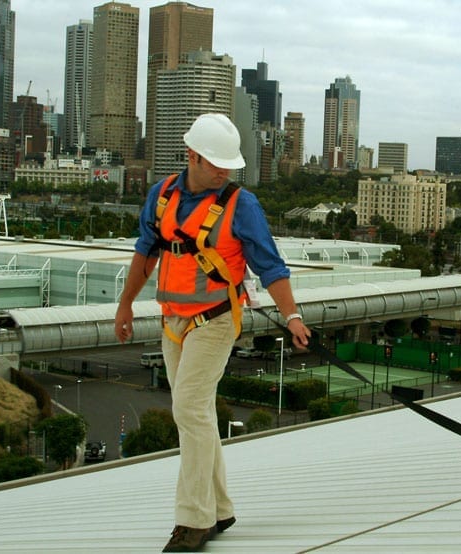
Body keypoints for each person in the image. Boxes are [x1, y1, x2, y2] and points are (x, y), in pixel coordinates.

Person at [114, 113, 310, 552]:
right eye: (216, 163)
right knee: (197, 414)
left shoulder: (243, 205)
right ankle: (219, 507)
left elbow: (270, 265)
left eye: (229, 165)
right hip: (172, 322)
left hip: (217, 319)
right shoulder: (160, 195)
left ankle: (193, 521)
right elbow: (146, 252)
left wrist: (292, 315)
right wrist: (125, 304)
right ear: (192, 155)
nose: (224, 172)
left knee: (188, 409)